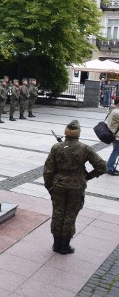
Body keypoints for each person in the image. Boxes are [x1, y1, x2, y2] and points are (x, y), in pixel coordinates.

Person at [43, 120, 106, 254]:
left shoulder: (56, 147)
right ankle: (64, 246)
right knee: (70, 214)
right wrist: (87, 177)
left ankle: (56, 244)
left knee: (58, 213)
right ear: (78, 133)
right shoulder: (85, 148)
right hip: (76, 185)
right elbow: (102, 166)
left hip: (58, 184)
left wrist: (49, 186)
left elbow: (48, 170)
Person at [105, 98, 119, 175]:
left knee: (116, 152)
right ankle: (109, 168)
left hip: (113, 133)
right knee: (115, 152)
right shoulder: (116, 112)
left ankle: (111, 167)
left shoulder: (113, 110)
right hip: (116, 135)